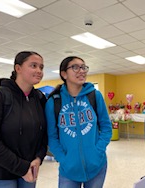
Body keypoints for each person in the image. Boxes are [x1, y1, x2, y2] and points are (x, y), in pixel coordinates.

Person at [0, 51, 47, 188]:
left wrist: (38, 157)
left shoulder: (39, 98)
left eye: (41, 67)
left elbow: (43, 133)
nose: (39, 71)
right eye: (33, 65)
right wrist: (21, 167)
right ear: (18, 68)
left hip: (28, 171)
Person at [45, 56, 112, 188]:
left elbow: (106, 127)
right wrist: (63, 159)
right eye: (75, 67)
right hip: (68, 170)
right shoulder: (54, 102)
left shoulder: (94, 96)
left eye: (83, 67)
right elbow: (51, 137)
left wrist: (98, 151)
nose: (81, 71)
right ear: (64, 74)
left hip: (97, 166)